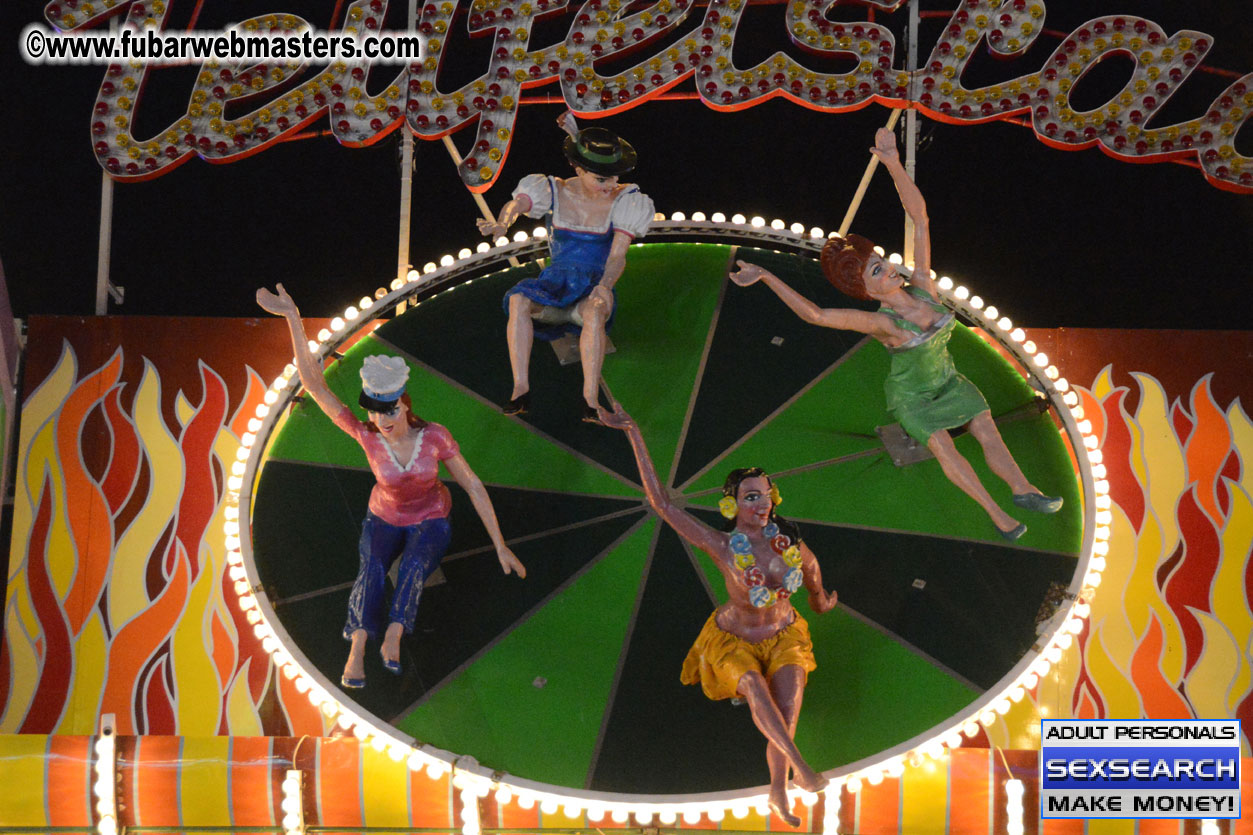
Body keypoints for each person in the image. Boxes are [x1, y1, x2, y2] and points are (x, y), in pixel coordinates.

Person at [729, 127, 1061, 541]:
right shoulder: (884, 324)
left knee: (985, 425)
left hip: (950, 382)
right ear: (868, 291)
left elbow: (920, 218)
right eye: (876, 271)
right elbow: (816, 314)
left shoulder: (924, 287)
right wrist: (764, 276)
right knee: (944, 446)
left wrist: (891, 162)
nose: (888, 267)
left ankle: (1023, 489)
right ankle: (998, 515)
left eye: (881, 261)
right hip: (914, 399)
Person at [257, 284, 526, 689]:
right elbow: (315, 385)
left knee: (415, 566)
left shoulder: (434, 437)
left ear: (404, 405)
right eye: (375, 412)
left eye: (389, 411)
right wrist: (294, 317)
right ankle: (358, 646)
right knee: (372, 567)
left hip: (431, 516)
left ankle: (395, 636)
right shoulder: (367, 435)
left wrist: (500, 544)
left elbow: (472, 485)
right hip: (384, 516)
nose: (382, 420)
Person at [599, 402, 834, 825]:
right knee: (755, 689)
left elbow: (812, 570)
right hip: (734, 639)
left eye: (765, 494)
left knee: (789, 709)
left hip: (785, 634)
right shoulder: (723, 547)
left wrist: (818, 601)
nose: (761, 503)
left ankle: (779, 788)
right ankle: (801, 768)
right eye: (750, 497)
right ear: (733, 505)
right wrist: (634, 432)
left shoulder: (788, 541)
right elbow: (663, 505)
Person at [478, 112, 654, 423]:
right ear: (578, 168)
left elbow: (617, 256)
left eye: (614, 176)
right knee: (519, 299)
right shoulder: (552, 190)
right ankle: (520, 388)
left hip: (592, 287)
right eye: (602, 178)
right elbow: (517, 205)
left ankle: (590, 398)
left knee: (595, 310)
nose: (610, 184)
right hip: (554, 287)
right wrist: (501, 223)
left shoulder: (626, 199)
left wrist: (604, 286)